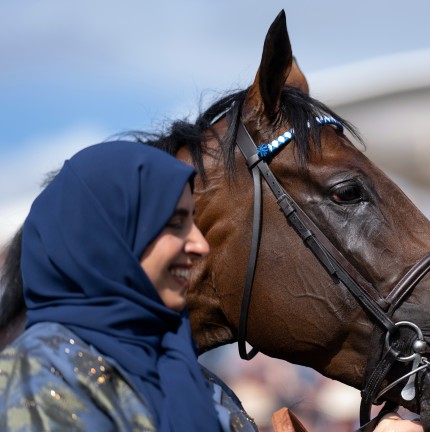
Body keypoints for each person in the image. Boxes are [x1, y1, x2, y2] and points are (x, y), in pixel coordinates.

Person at [0, 142, 255, 431]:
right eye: (175, 223)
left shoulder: (197, 379)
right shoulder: (40, 371)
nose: (200, 245)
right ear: (106, 236)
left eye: (193, 223)